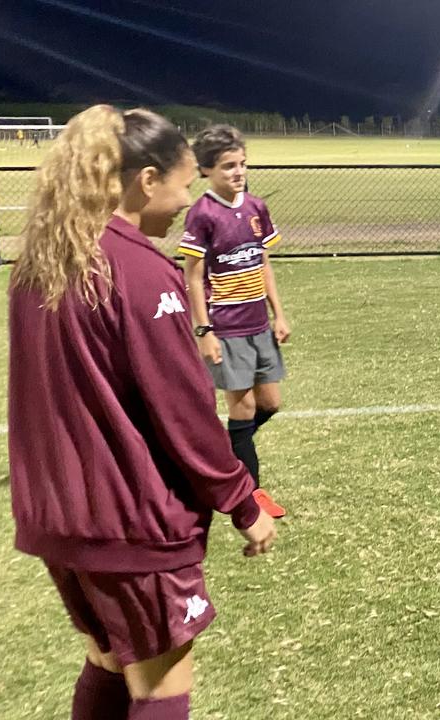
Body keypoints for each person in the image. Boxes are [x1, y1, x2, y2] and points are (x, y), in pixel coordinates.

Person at [8, 105, 276, 720]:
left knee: (109, 662)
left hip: (60, 518)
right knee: (159, 685)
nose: (184, 203)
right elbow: (182, 410)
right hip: (130, 521)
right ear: (146, 180)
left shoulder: (43, 262)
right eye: (182, 186)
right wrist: (242, 502)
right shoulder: (138, 269)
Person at [180, 125, 291, 519]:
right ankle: (252, 494)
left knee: (271, 404)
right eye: (228, 166)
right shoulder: (203, 214)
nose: (238, 172)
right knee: (241, 411)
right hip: (226, 329)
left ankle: (220, 455)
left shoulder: (257, 207)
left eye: (242, 164)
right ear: (206, 171)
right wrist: (204, 330)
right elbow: (192, 276)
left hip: (259, 323)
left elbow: (264, 263)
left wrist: (278, 313)